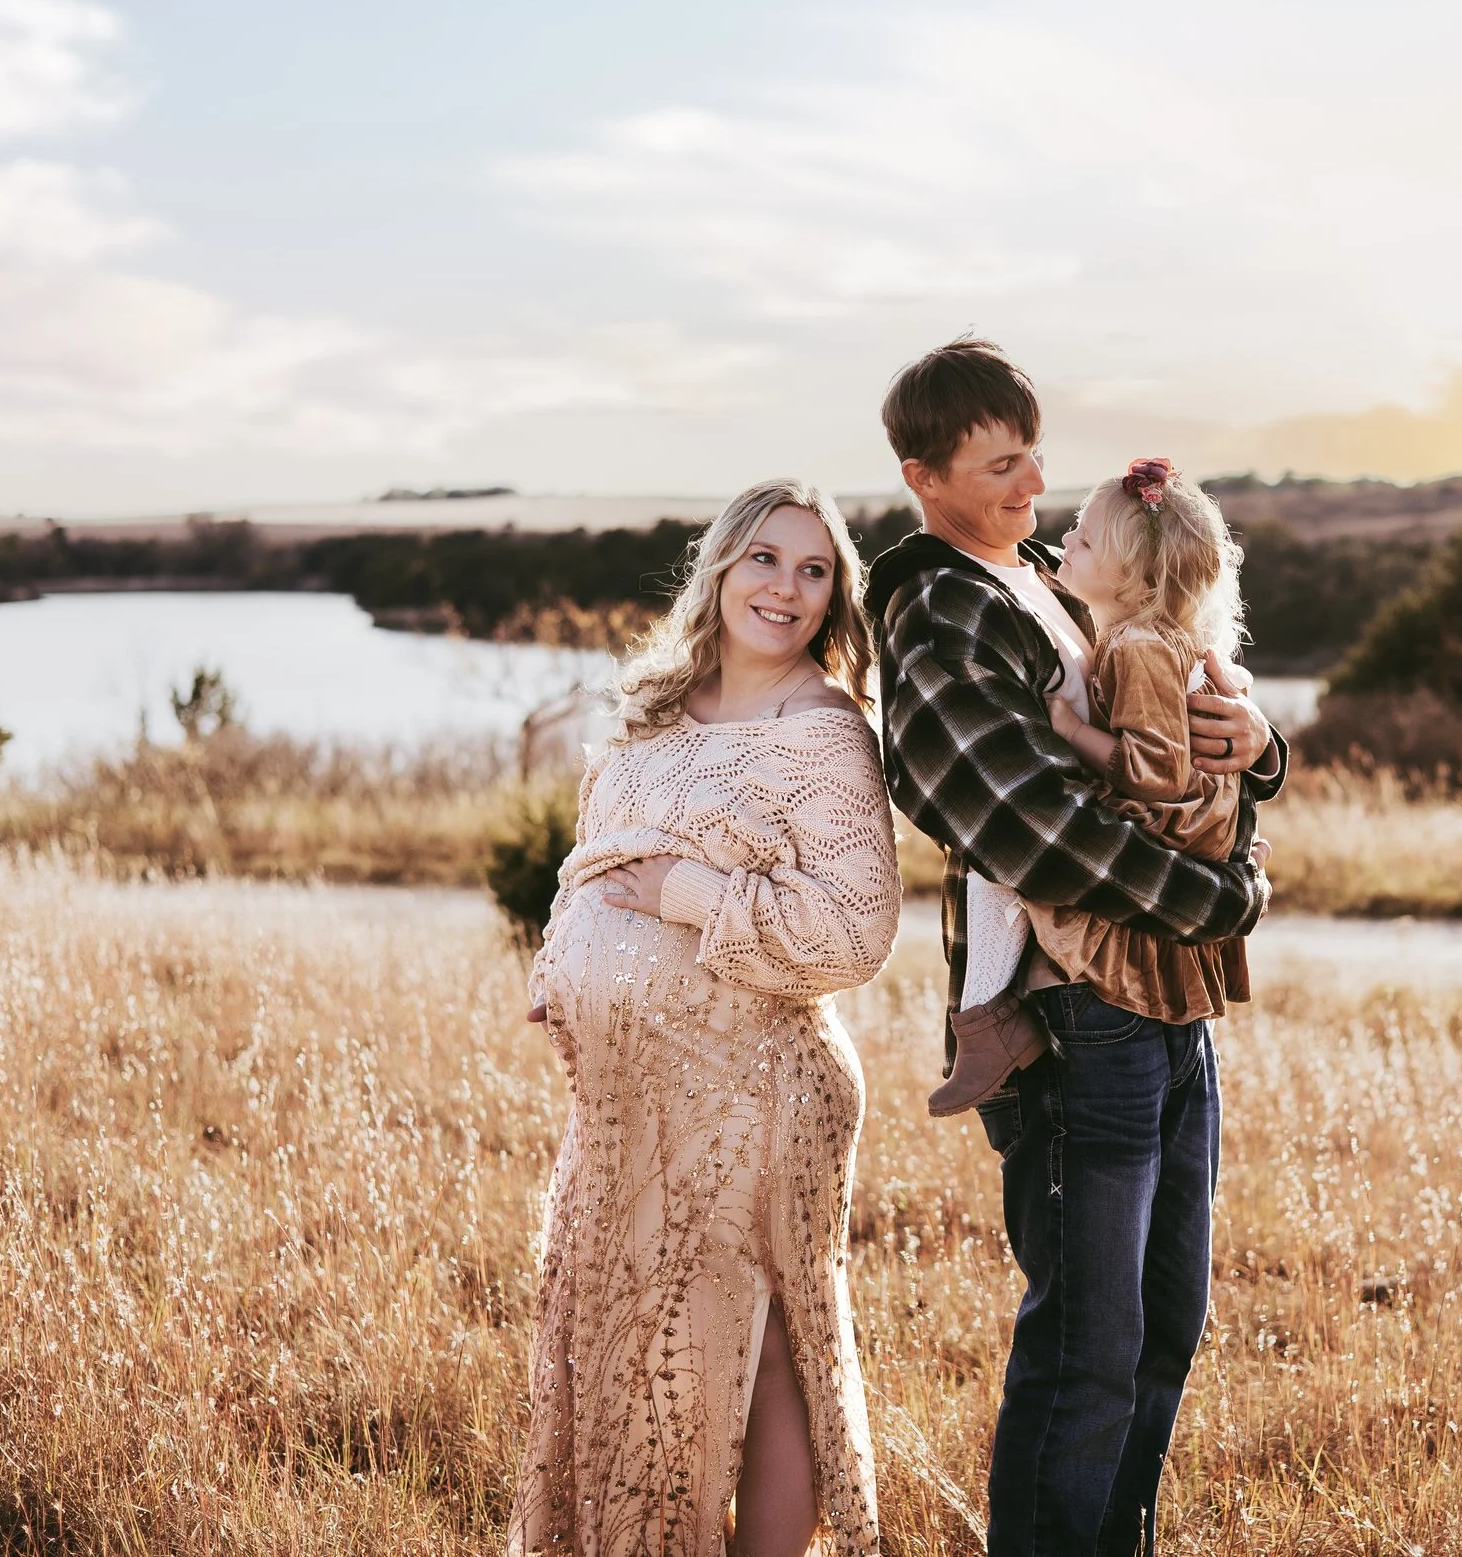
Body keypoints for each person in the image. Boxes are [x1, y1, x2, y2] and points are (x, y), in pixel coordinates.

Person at [862, 339, 1285, 1557]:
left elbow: (1189, 754)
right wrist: (1217, 898)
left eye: (1035, 453)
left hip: (1168, 1008)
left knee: (1163, 1321)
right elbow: (1022, 824)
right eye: (999, 464)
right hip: (1073, 1019)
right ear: (923, 476)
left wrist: (1255, 748)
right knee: (1085, 1347)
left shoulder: (1055, 576)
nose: (1032, 483)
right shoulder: (939, 607)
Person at [511, 479, 900, 1557]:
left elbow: (855, 930)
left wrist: (689, 890)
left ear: (834, 595)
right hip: (632, 1098)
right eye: (766, 559)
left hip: (757, 1090)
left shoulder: (824, 733)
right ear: (721, 567)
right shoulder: (654, 709)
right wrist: (560, 968)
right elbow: (591, 855)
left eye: (814, 569)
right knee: (634, 1345)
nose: (786, 586)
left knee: (763, 1347)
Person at [928, 457, 1251, 1114]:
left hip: (1162, 822)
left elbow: (1156, 771)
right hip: (1181, 822)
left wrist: (1070, 730)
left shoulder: (1137, 644)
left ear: (1133, 576)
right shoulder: (1126, 624)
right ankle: (985, 1027)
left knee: (998, 858)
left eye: (1083, 539)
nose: (1064, 543)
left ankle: (985, 1025)